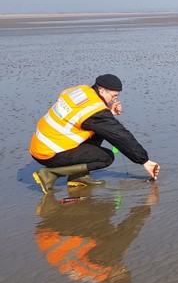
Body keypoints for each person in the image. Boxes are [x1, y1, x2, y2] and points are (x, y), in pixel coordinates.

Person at [30, 74, 160, 194]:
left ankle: (79, 177)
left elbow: (64, 95)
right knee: (106, 157)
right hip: (49, 153)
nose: (114, 99)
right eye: (114, 96)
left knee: (101, 130)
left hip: (41, 143)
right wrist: (144, 160)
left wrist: (107, 111)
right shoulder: (94, 112)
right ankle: (50, 174)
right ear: (102, 91)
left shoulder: (83, 89)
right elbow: (120, 135)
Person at [34, 184, 158, 283]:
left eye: (121, 271)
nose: (122, 267)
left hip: (53, 232)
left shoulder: (103, 263)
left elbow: (127, 233)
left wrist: (146, 207)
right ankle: (66, 207)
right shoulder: (94, 275)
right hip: (53, 236)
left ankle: (59, 208)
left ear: (110, 279)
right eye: (125, 269)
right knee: (107, 226)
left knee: (106, 208)